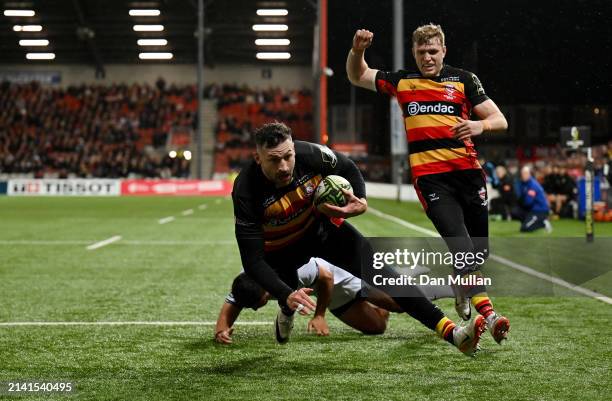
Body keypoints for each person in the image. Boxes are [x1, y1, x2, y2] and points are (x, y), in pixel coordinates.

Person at [232, 121, 485, 355]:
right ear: (257, 158)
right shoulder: (245, 191)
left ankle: (454, 335)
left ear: (294, 149)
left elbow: (347, 167)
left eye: (288, 156)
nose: (284, 166)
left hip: (323, 232)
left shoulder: (310, 154)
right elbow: (252, 261)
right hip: (282, 252)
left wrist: (361, 200)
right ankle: (286, 311)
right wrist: (286, 294)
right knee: (290, 294)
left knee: (390, 279)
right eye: (274, 161)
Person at [346, 23, 510, 343]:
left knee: (478, 253)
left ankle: (462, 286)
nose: (427, 57)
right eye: (421, 52)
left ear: (443, 51)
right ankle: (490, 316)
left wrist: (480, 126)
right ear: (414, 53)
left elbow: (499, 119)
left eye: (433, 51)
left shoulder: (463, 79)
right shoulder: (403, 82)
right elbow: (357, 75)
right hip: (432, 181)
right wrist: (358, 50)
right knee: (461, 248)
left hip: (469, 174)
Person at [215, 257, 455, 343]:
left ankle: (452, 288)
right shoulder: (250, 278)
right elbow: (232, 302)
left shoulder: (298, 271)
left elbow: (326, 277)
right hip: (324, 293)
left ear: (266, 290)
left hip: (338, 275)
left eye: (258, 303)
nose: (256, 309)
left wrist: (319, 315)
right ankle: (395, 282)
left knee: (398, 305)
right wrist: (221, 330)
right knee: (378, 328)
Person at [512, 166, 553, 232]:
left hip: (539, 210)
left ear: (529, 174)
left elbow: (528, 202)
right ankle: (527, 222)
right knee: (515, 211)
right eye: (522, 174)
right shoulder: (523, 184)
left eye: (525, 174)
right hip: (532, 209)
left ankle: (543, 223)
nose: (523, 175)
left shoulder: (533, 185)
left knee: (525, 228)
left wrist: (521, 202)